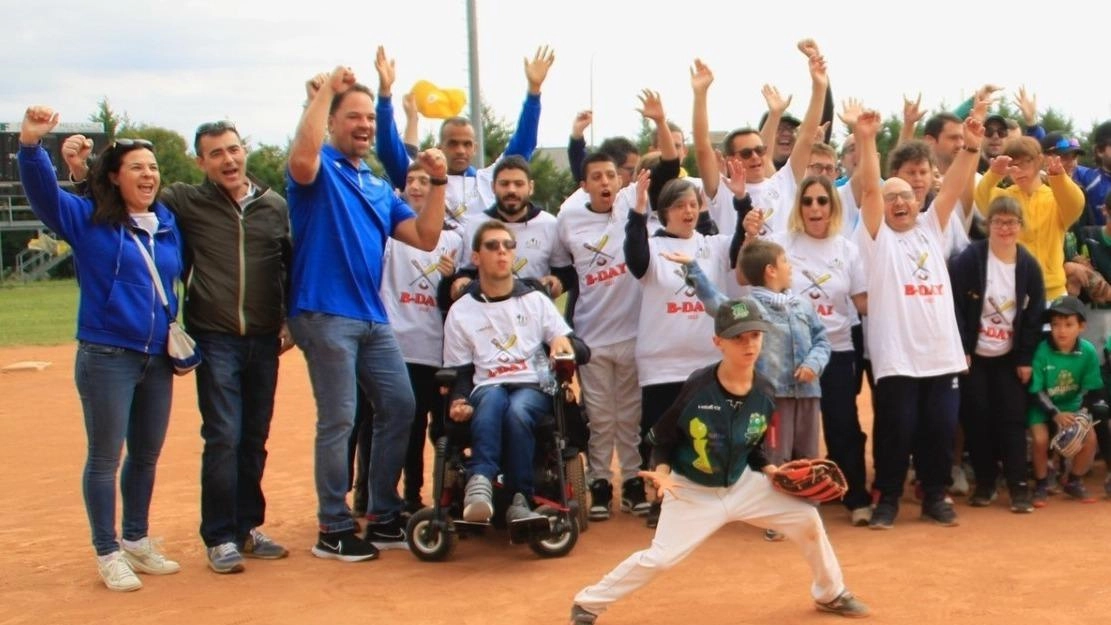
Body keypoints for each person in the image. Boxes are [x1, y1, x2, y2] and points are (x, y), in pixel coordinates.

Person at [66, 120, 295, 573]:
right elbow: (126, 196)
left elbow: (289, 264)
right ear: (200, 162)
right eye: (215, 154)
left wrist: (290, 319)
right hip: (214, 335)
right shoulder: (183, 202)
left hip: (266, 340)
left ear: (243, 150)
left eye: (233, 149)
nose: (227, 160)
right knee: (224, 435)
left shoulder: (275, 206)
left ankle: (247, 526)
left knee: (254, 438)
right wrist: (82, 173)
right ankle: (220, 537)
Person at [568, 297, 869, 624]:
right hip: (691, 490)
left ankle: (830, 592)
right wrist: (663, 474)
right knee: (661, 558)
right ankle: (588, 603)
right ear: (718, 342)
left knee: (807, 519)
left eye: (754, 335)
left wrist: (770, 469)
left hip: (741, 484)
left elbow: (752, 445)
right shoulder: (700, 387)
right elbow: (661, 438)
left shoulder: (765, 391)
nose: (748, 344)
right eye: (738, 337)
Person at [286, 65, 448, 561]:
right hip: (323, 311)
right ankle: (332, 527)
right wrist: (320, 97)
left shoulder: (378, 186)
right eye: (352, 116)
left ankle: (381, 513)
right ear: (332, 122)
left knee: (399, 405)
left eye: (368, 119)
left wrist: (438, 181)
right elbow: (301, 156)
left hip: (372, 317)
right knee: (339, 417)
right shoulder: (318, 172)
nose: (363, 125)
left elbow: (425, 238)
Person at [18, 106, 183, 590]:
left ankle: (136, 540)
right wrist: (32, 147)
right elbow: (44, 196)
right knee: (106, 456)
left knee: (147, 454)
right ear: (114, 177)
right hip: (107, 354)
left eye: (153, 168)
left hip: (157, 356)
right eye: (136, 167)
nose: (148, 175)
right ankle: (107, 550)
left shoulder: (167, 223)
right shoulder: (88, 220)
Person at [853, 103, 985, 530]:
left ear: (918, 199)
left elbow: (957, 185)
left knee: (941, 430)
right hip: (897, 358)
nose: (898, 202)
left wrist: (971, 146)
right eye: (892, 198)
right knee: (896, 430)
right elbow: (871, 190)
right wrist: (867, 139)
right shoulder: (876, 238)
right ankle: (888, 499)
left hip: (940, 355)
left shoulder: (932, 226)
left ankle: (935, 495)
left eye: (905, 196)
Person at [351, 161, 468, 516]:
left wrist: (451, 281)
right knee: (391, 425)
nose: (418, 186)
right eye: (411, 180)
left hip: (434, 349)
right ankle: (372, 496)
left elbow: (457, 298)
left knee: (438, 429)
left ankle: (433, 497)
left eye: (426, 180)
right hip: (393, 346)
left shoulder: (454, 238)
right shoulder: (387, 233)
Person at [442, 221, 576, 525]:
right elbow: (460, 370)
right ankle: (480, 484)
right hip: (487, 384)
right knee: (490, 402)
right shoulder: (461, 311)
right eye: (492, 246)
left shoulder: (535, 300)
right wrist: (458, 399)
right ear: (476, 257)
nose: (501, 251)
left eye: (507, 245)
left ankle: (520, 497)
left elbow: (571, 345)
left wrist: (559, 340)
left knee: (517, 411)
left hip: (533, 383)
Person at [374, 45, 553, 229]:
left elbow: (523, 145)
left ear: (475, 148)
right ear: (440, 147)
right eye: (453, 144)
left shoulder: (488, 180)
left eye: (467, 144)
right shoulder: (421, 180)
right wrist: (385, 95)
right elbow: (388, 150)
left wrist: (534, 91)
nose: (460, 150)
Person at [554, 152, 643, 520]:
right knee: (602, 417)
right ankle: (601, 483)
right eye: (596, 177)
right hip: (592, 336)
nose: (605, 182)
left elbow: (668, 167)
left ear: (619, 180)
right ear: (584, 185)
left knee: (631, 416)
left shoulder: (633, 208)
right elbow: (564, 272)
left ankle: (635, 481)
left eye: (610, 175)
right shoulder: (568, 221)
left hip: (634, 333)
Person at [949, 197, 1046, 513]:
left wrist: (1024, 359)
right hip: (975, 355)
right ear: (987, 225)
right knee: (976, 418)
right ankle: (987, 482)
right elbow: (957, 308)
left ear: (1020, 226)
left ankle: (1018, 486)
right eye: (998, 222)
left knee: (1011, 419)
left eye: (1011, 222)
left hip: (1009, 356)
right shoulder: (971, 259)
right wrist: (962, 349)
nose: (1005, 228)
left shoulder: (1028, 265)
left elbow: (1034, 317)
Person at [975, 136, 1084, 299]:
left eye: (1025, 162)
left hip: (1052, 294)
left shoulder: (1056, 200)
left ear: (1040, 160)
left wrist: (1059, 178)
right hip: (1012, 291)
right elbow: (981, 198)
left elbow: (1077, 203)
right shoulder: (1004, 197)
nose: (1018, 170)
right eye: (1013, 164)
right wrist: (994, 174)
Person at [1027, 296, 1105, 506]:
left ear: (1082, 326)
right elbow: (1035, 391)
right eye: (1055, 325)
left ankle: (1073, 480)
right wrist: (1055, 414)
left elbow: (1092, 390)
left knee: (1090, 440)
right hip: (1043, 407)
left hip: (1072, 406)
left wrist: (1082, 414)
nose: (1061, 331)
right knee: (1041, 439)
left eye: (1069, 324)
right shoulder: (1042, 350)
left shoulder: (1088, 351)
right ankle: (1041, 482)